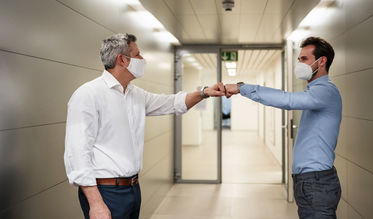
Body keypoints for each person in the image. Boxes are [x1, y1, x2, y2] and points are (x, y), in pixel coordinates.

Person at [64, 33, 225, 219]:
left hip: (132, 188)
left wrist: (204, 93)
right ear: (122, 60)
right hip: (106, 192)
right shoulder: (88, 94)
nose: (142, 59)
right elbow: (77, 152)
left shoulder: (135, 94)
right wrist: (96, 203)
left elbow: (172, 102)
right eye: (138, 54)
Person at [225, 37, 342, 219]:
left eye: (304, 59)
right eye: (298, 59)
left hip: (316, 182)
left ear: (322, 61)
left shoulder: (326, 91)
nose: (299, 63)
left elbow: (288, 100)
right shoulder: (314, 92)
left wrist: (242, 88)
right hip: (311, 181)